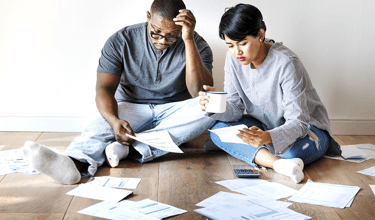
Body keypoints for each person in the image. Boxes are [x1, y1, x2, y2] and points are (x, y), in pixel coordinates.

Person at [22, 0, 216, 185]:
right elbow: (104, 88)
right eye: (156, 33)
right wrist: (114, 120)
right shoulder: (121, 40)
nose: (163, 41)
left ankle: (130, 149)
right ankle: (73, 163)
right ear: (148, 17)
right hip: (131, 107)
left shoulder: (197, 44)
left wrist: (187, 39)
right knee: (99, 127)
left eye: (172, 35)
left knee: (212, 108)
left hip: (174, 111)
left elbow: (199, 92)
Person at [199, 3, 341, 184]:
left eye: (243, 43)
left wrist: (267, 137)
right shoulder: (233, 59)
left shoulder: (286, 63)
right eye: (230, 45)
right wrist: (213, 106)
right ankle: (280, 165)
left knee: (292, 152)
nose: (237, 52)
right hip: (265, 126)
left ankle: (259, 154)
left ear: (260, 35)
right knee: (217, 130)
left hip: (308, 130)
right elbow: (235, 109)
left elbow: (299, 123)